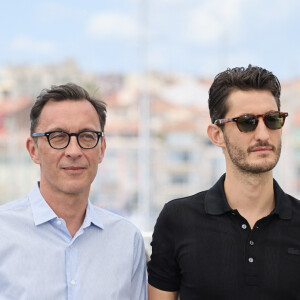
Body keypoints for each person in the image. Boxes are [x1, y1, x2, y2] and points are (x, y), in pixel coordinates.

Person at [147, 65, 300, 300]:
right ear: (217, 135)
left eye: (272, 119)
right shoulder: (177, 219)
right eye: (247, 122)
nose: (263, 134)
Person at [0, 83, 147, 299]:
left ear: (101, 150)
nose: (74, 151)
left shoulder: (126, 240)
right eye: (58, 136)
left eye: (87, 136)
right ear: (33, 150)